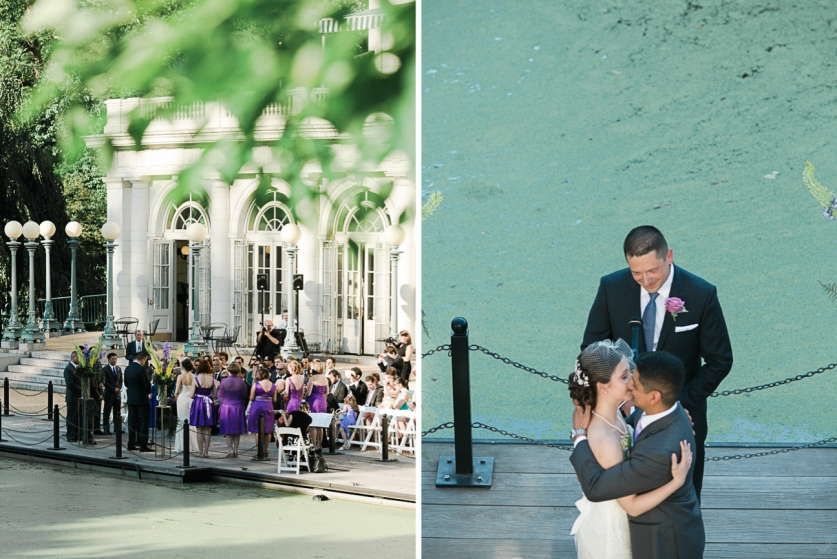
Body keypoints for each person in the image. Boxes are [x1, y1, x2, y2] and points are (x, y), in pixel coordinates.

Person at [582, 225, 733, 500]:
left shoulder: (701, 294)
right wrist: (620, 397)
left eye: (653, 270)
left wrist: (676, 403)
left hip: (682, 417)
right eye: (636, 273)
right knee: (624, 492)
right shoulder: (611, 288)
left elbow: (719, 361)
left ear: (669, 256)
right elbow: (592, 351)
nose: (646, 280)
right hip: (622, 414)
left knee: (684, 496)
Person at [570, 347, 703, 559]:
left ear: (654, 397)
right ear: (603, 386)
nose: (631, 382)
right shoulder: (605, 437)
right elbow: (599, 488)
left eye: (630, 374)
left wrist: (579, 437)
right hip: (613, 530)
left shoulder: (626, 419)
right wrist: (579, 437)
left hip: (664, 535)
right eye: (625, 376)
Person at [124, 351, 152, 452]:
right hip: (141, 398)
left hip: (131, 398)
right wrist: (149, 392)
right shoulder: (141, 369)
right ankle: (143, 445)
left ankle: (131, 443)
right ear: (143, 359)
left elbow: (126, 383)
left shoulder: (127, 368)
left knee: (132, 421)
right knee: (143, 422)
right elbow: (147, 384)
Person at [218, 362, 248, 457]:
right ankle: (236, 450)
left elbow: (219, 395)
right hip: (238, 407)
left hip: (227, 407)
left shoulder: (224, 381)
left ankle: (230, 450)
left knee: (228, 430)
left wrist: (224, 401)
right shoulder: (241, 382)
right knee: (237, 430)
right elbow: (244, 395)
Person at [189, 358, 218, 457]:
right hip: (208, 403)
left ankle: (200, 452)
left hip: (198, 403)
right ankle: (206, 452)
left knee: (199, 429)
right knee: (208, 429)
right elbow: (214, 395)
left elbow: (191, 395)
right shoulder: (212, 379)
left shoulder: (196, 379)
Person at [248, 367, 277, 456]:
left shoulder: (256, 384)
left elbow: (251, 398)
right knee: (268, 429)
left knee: (258, 429)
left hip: (257, 406)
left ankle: (258, 451)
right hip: (268, 406)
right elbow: (274, 400)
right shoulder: (273, 385)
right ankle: (266, 450)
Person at [174, 358, 197, 453]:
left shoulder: (180, 376)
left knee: (181, 420)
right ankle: (192, 445)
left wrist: (176, 399)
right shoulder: (194, 376)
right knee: (190, 421)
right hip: (191, 399)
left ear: (182, 366)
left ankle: (181, 445)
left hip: (182, 398)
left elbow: (176, 391)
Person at [306, 359, 329, 449]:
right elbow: (327, 392)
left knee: (313, 424)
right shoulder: (325, 378)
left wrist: (305, 393)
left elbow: (308, 393)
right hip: (322, 401)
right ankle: (319, 445)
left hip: (314, 401)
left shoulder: (312, 378)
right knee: (320, 425)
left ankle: (314, 445)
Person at [101, 352, 122, 435]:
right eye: (113, 359)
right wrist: (113, 389)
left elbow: (120, 380)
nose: (114, 360)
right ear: (109, 359)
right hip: (109, 393)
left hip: (117, 394)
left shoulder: (118, 369)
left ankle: (117, 428)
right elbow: (105, 382)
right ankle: (106, 429)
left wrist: (118, 388)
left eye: (116, 359)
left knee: (117, 412)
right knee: (107, 411)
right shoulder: (105, 369)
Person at [63, 352, 82, 442]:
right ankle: (70, 435)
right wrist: (81, 390)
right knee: (72, 417)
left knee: (77, 417)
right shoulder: (69, 369)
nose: (79, 359)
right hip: (72, 397)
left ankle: (76, 434)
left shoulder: (77, 368)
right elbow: (70, 383)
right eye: (78, 357)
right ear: (73, 357)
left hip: (78, 396)